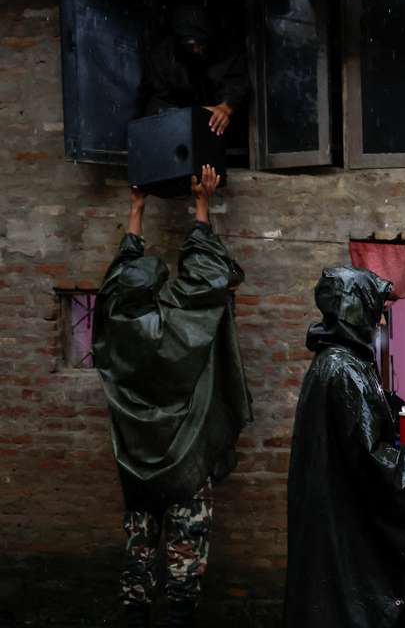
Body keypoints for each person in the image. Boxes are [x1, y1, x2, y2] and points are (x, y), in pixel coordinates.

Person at [93, 165, 252, 628]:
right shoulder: (182, 320)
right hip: (186, 457)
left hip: (136, 458)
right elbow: (207, 277)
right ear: (160, 287)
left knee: (139, 540)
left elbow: (116, 279)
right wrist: (202, 203)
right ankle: (180, 612)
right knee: (187, 537)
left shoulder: (115, 324)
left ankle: (137, 612)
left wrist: (137, 209)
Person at [284, 266, 405, 628]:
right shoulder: (342, 371)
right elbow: (376, 464)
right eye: (376, 313)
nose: (382, 325)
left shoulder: (343, 364)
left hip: (340, 521)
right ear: (355, 311)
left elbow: (369, 420)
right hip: (349, 531)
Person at [142, 4, 250, 137]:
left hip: (217, 134)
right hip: (175, 132)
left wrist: (226, 106)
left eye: (201, 43)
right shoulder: (165, 58)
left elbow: (237, 83)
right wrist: (189, 112)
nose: (197, 49)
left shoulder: (224, 50)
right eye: (191, 44)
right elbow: (159, 101)